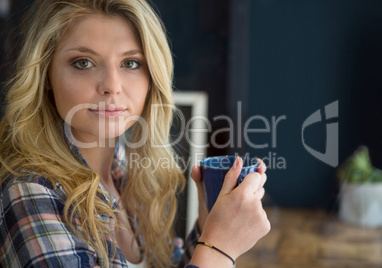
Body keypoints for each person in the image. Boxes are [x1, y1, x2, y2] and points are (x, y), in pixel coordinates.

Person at [0, 0, 270, 267]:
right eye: (83, 62)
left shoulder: (124, 171)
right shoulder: (30, 191)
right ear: (45, 76)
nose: (111, 86)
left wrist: (207, 228)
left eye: (130, 63)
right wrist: (219, 249)